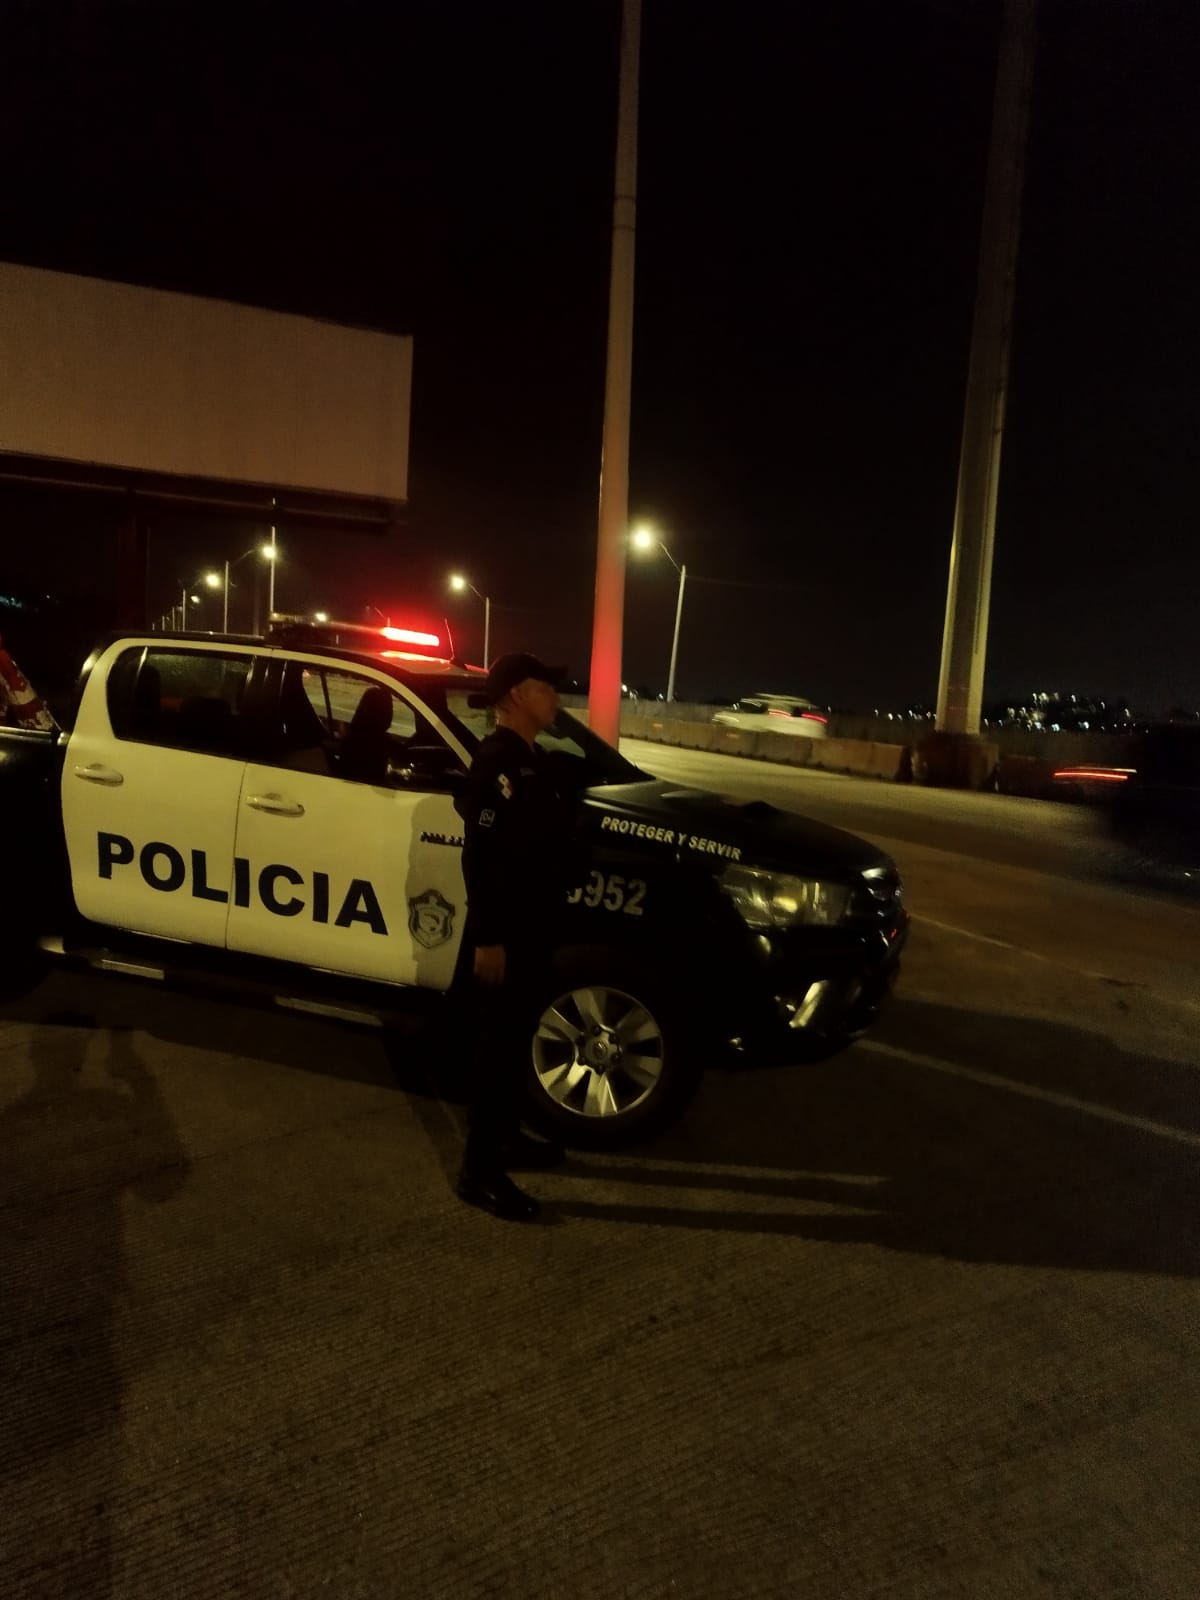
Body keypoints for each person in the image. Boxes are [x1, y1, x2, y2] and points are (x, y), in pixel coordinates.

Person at [455, 653, 573, 1220]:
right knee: (497, 1051)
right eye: (544, 687)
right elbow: (480, 859)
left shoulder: (530, 758)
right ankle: (479, 1173)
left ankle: (504, 1137)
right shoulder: (497, 762)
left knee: (516, 1038)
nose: (555, 697)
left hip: (531, 926)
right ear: (515, 697)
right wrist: (489, 938)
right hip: (506, 933)